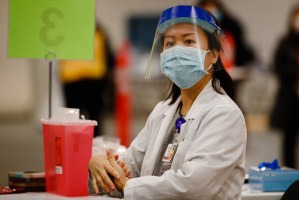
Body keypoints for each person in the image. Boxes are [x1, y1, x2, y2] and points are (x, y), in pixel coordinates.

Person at [88, 5, 247, 199]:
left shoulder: (224, 114)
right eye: (170, 44)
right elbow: (130, 165)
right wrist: (101, 166)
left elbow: (193, 187)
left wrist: (128, 186)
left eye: (189, 41)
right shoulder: (163, 111)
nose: (177, 50)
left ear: (213, 54)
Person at [60, 23, 115, 137]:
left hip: (76, 79)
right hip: (91, 79)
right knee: (94, 116)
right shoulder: (99, 32)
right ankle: (94, 145)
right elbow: (109, 57)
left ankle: (74, 143)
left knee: (75, 117)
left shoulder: (67, 33)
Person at [197, 0, 255, 104]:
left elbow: (242, 50)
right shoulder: (195, 29)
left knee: (229, 100)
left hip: (230, 74)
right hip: (203, 75)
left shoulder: (232, 27)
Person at [270, 4, 299, 169]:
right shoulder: (285, 42)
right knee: (289, 138)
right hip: (290, 96)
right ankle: (291, 172)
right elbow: (277, 67)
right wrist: (295, 71)